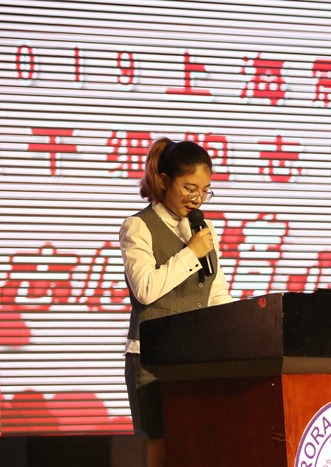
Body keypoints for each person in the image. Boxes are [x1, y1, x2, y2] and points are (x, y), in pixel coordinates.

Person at [119, 137, 233, 464]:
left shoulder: (204, 228)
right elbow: (145, 289)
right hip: (151, 360)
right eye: (189, 188)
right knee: (157, 452)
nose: (197, 199)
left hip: (196, 359)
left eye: (205, 191)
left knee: (195, 447)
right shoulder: (138, 226)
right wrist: (190, 253)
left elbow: (216, 293)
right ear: (164, 180)